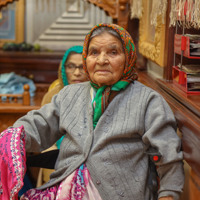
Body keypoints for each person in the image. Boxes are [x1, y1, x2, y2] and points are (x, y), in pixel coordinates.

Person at [0, 23, 184, 200]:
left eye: (113, 52)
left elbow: (168, 156)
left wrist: (168, 194)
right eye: (94, 52)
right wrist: (12, 138)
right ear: (86, 58)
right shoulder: (69, 95)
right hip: (64, 190)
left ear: (128, 57)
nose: (102, 60)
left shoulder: (148, 101)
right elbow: (39, 123)